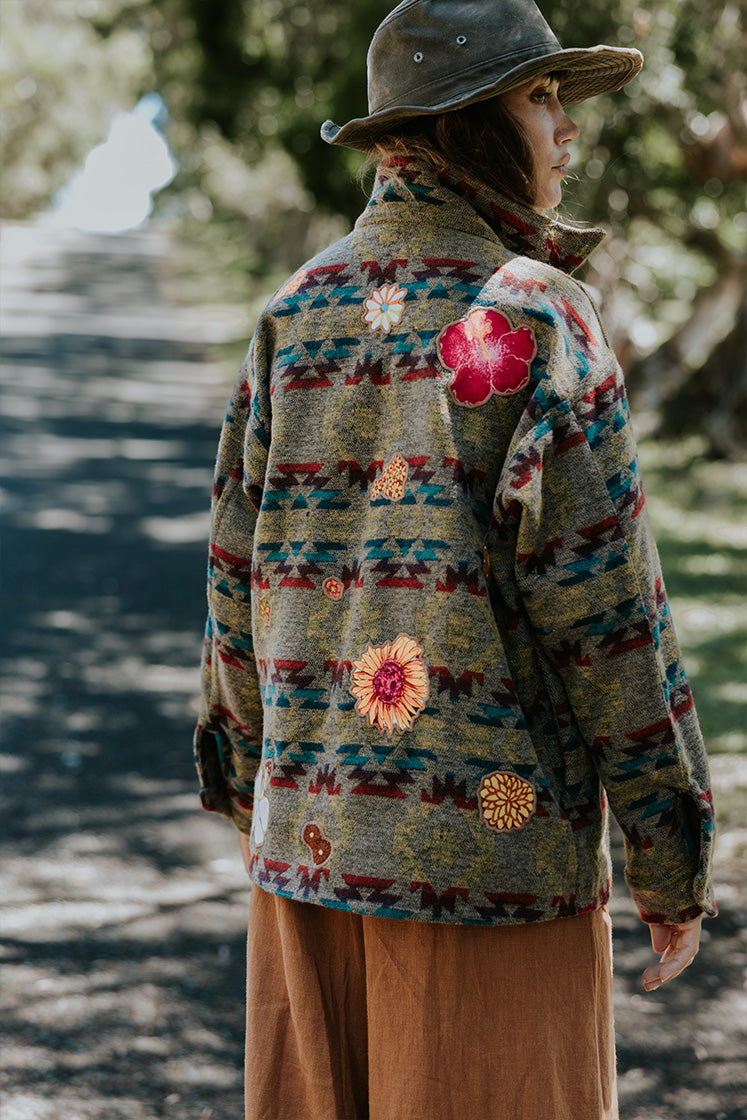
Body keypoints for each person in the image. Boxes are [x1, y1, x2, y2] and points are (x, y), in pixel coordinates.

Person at [194, 2, 717, 1117]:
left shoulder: (293, 313)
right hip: (491, 875)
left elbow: (232, 585)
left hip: (309, 866)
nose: (566, 129)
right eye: (539, 97)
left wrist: (256, 795)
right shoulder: (538, 318)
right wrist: (671, 856)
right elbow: (612, 617)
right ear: (461, 123)